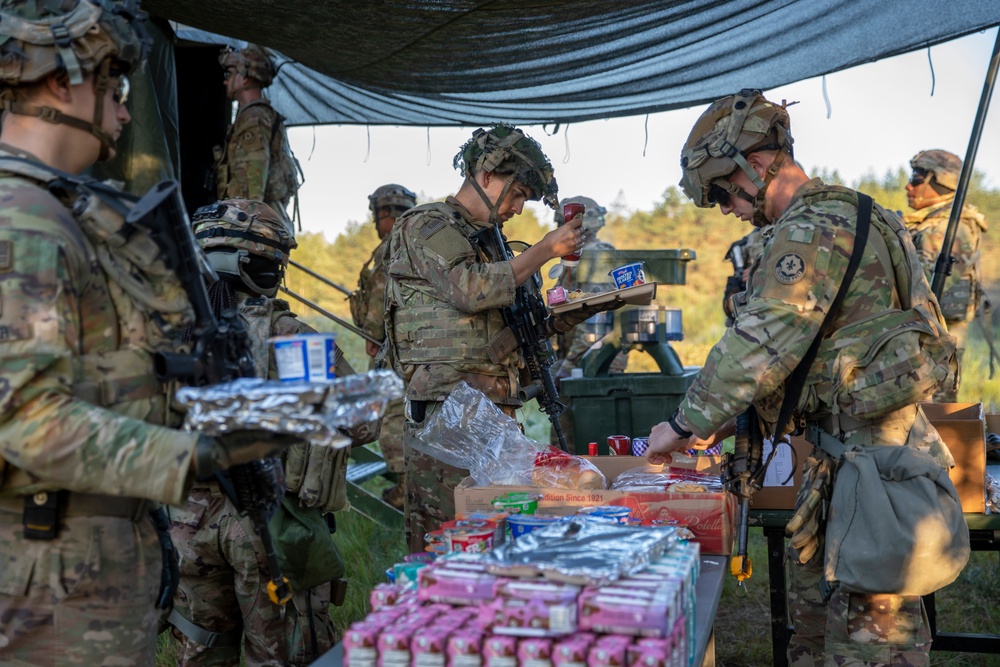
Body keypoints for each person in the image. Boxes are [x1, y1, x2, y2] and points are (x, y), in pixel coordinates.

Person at [0, 3, 288, 663]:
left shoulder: (63, 212)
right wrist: (204, 449)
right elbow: (22, 425)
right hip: (51, 600)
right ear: (59, 85)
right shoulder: (24, 220)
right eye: (116, 92)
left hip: (80, 582)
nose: (126, 114)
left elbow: (93, 382)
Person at [646, 90, 957, 665]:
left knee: (872, 647)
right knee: (818, 637)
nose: (725, 208)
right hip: (852, 464)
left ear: (756, 165)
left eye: (722, 192)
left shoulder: (812, 228)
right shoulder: (864, 215)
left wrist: (683, 422)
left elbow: (760, 342)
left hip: (871, 474)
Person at [384, 124, 622, 552]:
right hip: (446, 417)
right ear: (487, 174)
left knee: (497, 543)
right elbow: (469, 288)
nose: (517, 207)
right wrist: (545, 250)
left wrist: (565, 319)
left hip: (494, 415)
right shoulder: (425, 225)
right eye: (516, 195)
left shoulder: (493, 244)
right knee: (444, 543)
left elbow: (509, 331)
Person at [169, 199, 377, 666]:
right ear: (261, 266)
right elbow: (362, 421)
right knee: (285, 654)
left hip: (185, 521)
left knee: (201, 651)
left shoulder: (165, 332)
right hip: (268, 526)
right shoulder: (288, 335)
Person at [350, 184, 418, 508]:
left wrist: (371, 334)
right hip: (416, 344)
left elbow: (379, 301)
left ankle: (406, 488)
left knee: (391, 414)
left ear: (384, 214)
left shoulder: (389, 248)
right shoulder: (416, 244)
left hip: (391, 346)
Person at [903, 149, 988, 401]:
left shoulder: (951, 226)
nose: (909, 187)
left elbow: (921, 283)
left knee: (934, 411)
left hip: (937, 336)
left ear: (939, 183)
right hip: (925, 331)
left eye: (917, 180)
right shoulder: (931, 222)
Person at [548, 196, 625, 446]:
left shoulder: (596, 257)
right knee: (567, 439)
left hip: (591, 364)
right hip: (581, 362)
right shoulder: (578, 259)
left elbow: (597, 317)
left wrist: (569, 364)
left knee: (581, 442)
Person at [213, 44, 300, 230]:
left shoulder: (254, 118)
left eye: (229, 74)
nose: (225, 81)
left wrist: (246, 224)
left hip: (253, 223)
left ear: (244, 78)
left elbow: (254, 179)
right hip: (257, 219)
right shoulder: (256, 115)